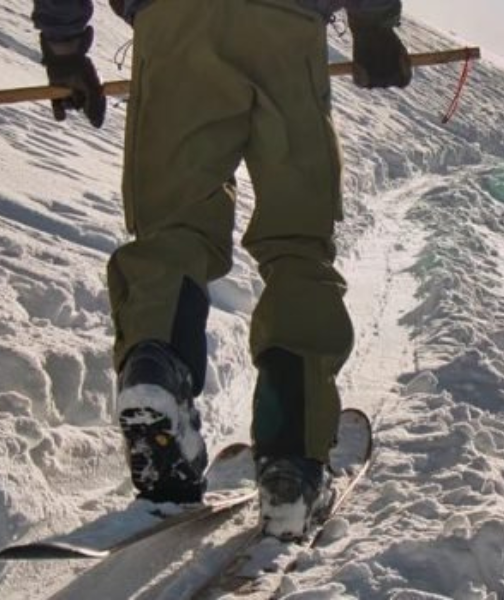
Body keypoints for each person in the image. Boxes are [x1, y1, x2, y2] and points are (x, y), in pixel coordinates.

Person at [31, 0, 411, 539]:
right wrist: (373, 22)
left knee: (172, 227)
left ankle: (158, 378)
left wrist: (64, 48)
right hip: (288, 25)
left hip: (173, 23)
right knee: (297, 240)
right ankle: (292, 460)